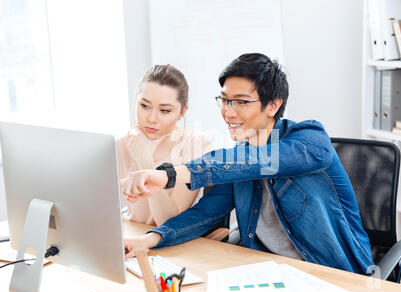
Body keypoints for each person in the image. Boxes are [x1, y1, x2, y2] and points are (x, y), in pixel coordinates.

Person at [121, 53, 375, 275]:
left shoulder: (311, 140)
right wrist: (149, 239)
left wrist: (169, 175)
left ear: (273, 105)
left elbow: (260, 161)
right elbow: (203, 215)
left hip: (332, 274)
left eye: (241, 102)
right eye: (225, 100)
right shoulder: (238, 158)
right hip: (266, 273)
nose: (228, 112)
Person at [118, 64, 212, 226]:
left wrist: (144, 160)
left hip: (175, 245)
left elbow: (169, 222)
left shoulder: (196, 144)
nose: (152, 118)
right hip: (132, 237)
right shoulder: (121, 144)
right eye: (145, 106)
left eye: (165, 111)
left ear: (182, 112)